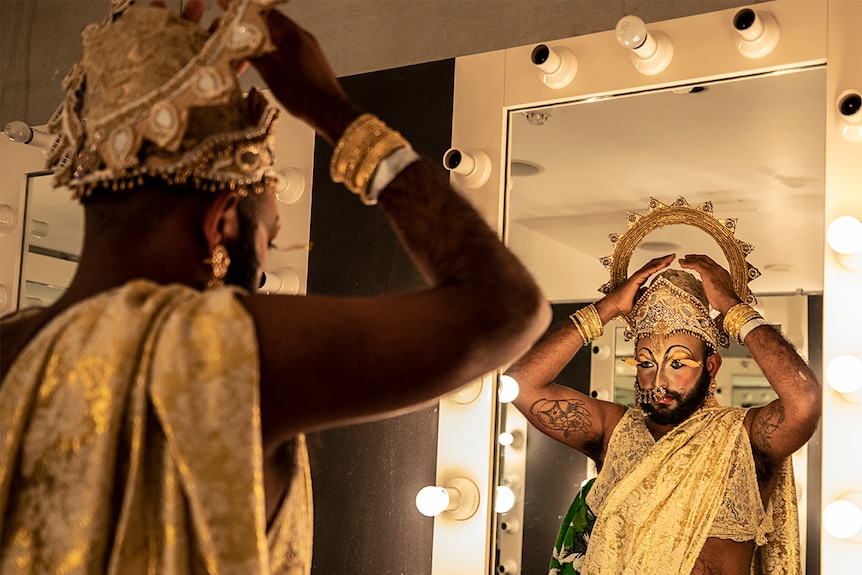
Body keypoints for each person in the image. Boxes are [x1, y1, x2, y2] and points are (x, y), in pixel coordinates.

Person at [0, 1, 550, 573]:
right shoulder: (206, 351)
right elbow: (505, 308)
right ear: (224, 221)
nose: (260, 270)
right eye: (270, 238)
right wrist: (336, 114)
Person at [507, 250, 820, 575]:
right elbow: (523, 385)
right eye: (645, 363)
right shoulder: (614, 431)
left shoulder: (742, 438)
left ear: (711, 367)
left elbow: (804, 403)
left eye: (678, 363)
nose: (659, 380)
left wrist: (732, 307)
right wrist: (607, 308)